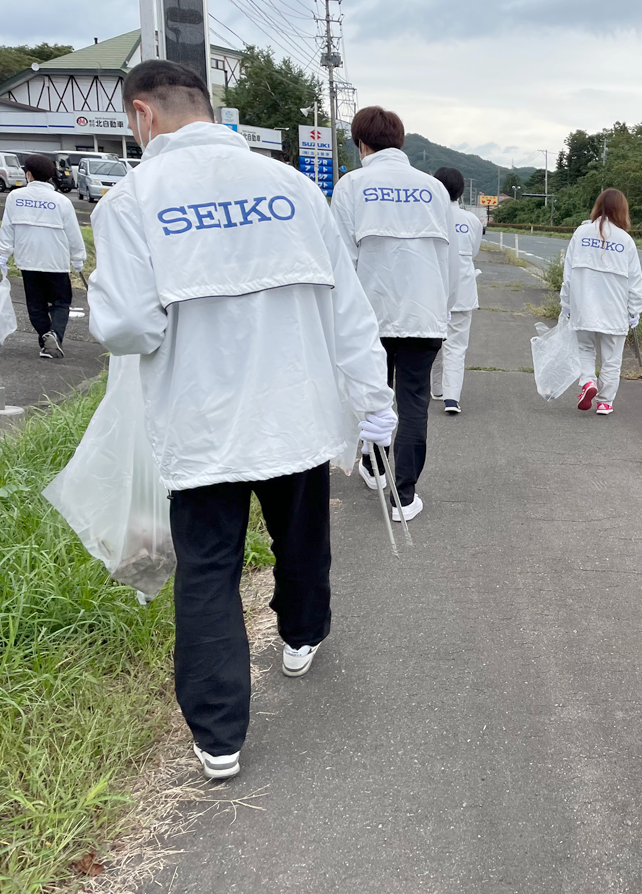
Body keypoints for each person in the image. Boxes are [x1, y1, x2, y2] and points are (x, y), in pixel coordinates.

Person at [87, 60, 396, 780]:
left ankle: (220, 736)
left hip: (199, 423)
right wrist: (373, 405)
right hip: (297, 409)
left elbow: (127, 327)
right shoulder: (293, 189)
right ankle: (301, 635)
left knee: (208, 571)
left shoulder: (132, 200)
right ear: (207, 107)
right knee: (301, 539)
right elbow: (348, 310)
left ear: (142, 116)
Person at [331, 106, 458, 522]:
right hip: (424, 315)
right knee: (414, 401)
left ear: (360, 143)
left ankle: (373, 466)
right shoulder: (434, 190)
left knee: (373, 395)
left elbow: (341, 262)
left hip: (369, 316)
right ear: (400, 141)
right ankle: (404, 496)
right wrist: (445, 309)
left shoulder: (352, 186)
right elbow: (449, 261)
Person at [559, 188, 642, 416]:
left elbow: (568, 273)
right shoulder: (625, 240)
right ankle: (605, 402)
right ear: (622, 211)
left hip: (583, 304)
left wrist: (566, 303)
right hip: (615, 308)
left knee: (585, 348)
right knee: (612, 358)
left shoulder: (581, 232)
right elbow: (635, 281)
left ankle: (588, 382)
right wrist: (634, 310)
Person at [0, 153, 85, 358]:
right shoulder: (61, 201)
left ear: (28, 175)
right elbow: (73, 232)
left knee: (35, 305)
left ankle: (46, 339)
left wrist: (2, 259)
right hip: (56, 263)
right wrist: (78, 258)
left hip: (28, 262)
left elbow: (7, 230)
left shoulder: (15, 197)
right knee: (61, 303)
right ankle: (54, 334)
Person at [429, 166, 482, 414]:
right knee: (456, 346)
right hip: (462, 292)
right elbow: (473, 253)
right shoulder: (471, 220)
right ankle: (451, 398)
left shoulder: (428, 215)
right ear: (460, 192)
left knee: (431, 342)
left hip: (432, 293)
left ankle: (436, 389)